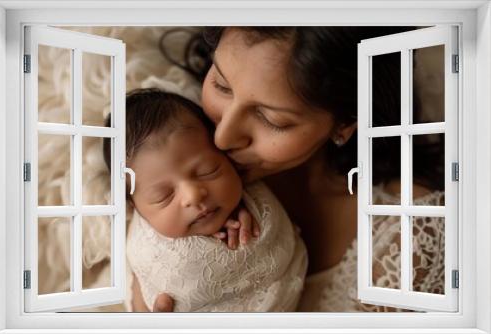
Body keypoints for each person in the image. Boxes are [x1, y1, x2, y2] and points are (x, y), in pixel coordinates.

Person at [156, 26, 446, 312]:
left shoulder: (404, 239)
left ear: (345, 124)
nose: (223, 137)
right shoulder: (163, 130)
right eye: (221, 85)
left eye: (272, 120)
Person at [102, 88, 307, 312]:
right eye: (164, 196)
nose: (193, 195)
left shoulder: (256, 190)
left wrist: (244, 204)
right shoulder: (147, 251)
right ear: (135, 208)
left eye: (208, 171)